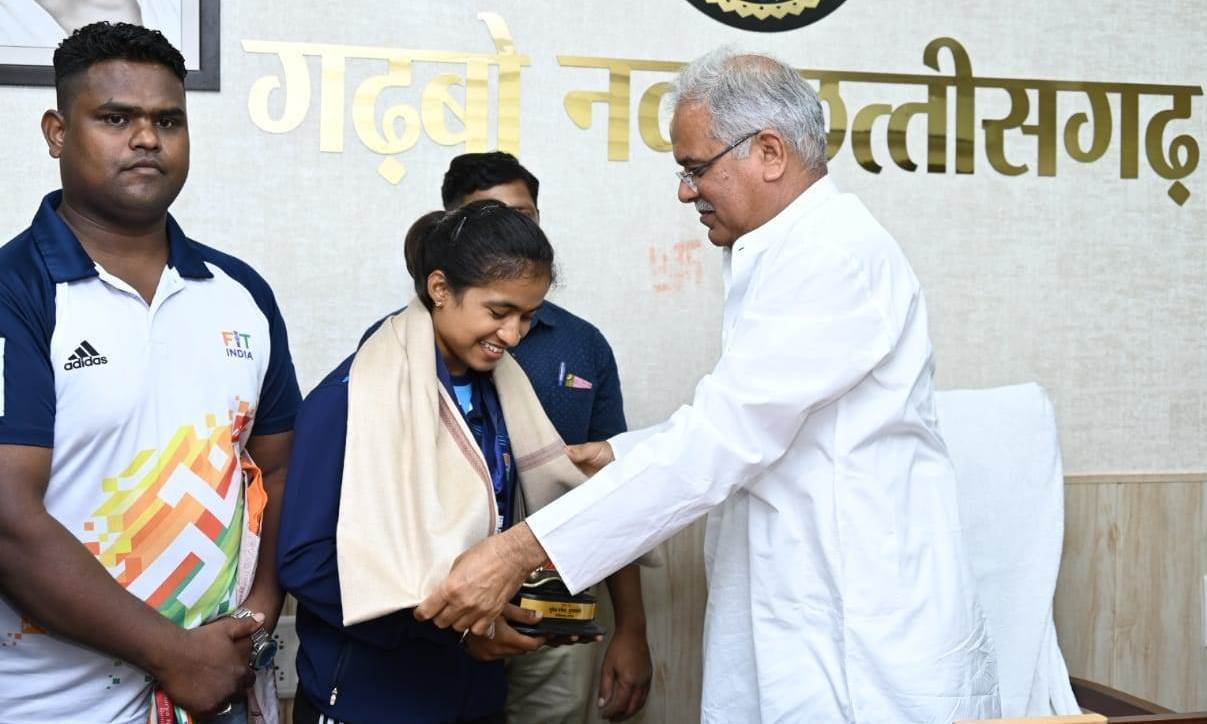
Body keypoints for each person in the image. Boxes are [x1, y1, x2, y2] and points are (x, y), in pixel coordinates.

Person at [414, 49, 1003, 722]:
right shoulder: (786, 253)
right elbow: (760, 417)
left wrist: (518, 551)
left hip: (862, 635)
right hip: (806, 615)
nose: (685, 192)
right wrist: (622, 453)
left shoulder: (832, 256)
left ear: (769, 153)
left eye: (695, 169)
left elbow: (726, 437)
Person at [0, 21, 300, 724]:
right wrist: (175, 654)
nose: (146, 139)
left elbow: (280, 470)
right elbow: (8, 518)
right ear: (56, 133)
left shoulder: (241, 293)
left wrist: (257, 614)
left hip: (220, 693)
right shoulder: (16, 291)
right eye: (115, 118)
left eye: (168, 121)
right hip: (50, 706)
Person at [279, 202, 591, 723]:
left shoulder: (505, 397)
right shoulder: (349, 399)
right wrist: (455, 627)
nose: (513, 335)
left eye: (527, 317)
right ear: (440, 288)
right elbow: (305, 560)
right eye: (499, 312)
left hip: (474, 697)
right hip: (372, 700)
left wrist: (531, 614)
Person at [440, 152, 652, 723]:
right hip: (451, 614)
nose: (512, 232)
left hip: (559, 611)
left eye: (525, 217)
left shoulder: (582, 345)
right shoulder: (410, 348)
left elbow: (613, 490)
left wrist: (632, 628)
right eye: (491, 218)